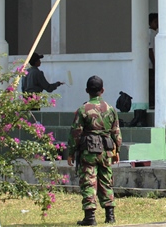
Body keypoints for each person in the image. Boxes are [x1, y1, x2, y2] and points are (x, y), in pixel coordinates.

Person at [67, 75, 122, 226]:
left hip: (89, 151)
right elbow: (116, 132)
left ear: (87, 91)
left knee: (88, 181)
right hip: (106, 150)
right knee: (106, 180)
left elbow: (75, 133)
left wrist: (70, 153)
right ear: (102, 90)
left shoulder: (82, 109)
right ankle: (110, 215)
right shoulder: (111, 109)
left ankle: (90, 217)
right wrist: (117, 151)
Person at [148, 13, 158, 109]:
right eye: (155, 21)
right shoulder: (150, 33)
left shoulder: (156, 33)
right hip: (151, 65)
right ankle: (151, 103)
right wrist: (154, 63)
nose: (157, 23)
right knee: (151, 84)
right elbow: (150, 49)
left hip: (154, 64)